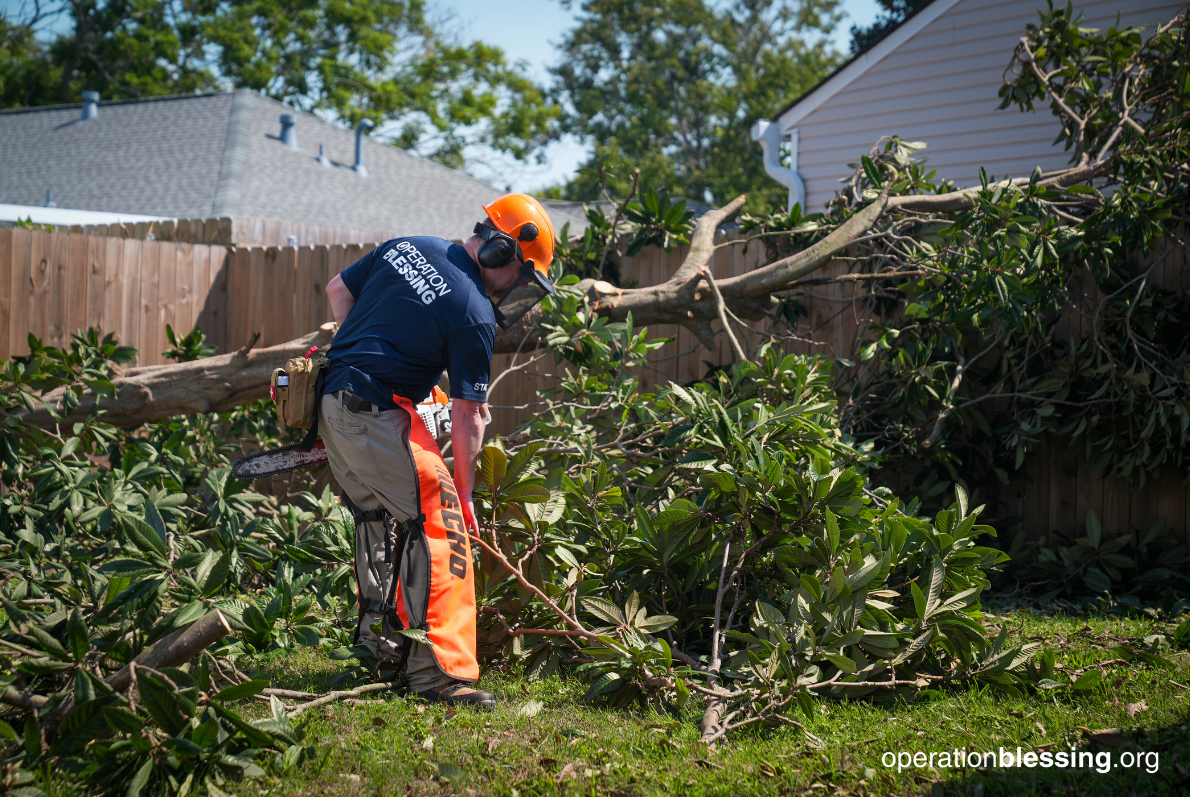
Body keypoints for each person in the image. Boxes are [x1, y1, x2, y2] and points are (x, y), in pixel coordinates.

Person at [318, 194, 557, 709]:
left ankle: (378, 650)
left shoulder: (411, 244)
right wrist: (465, 492)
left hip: (335, 400)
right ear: (500, 250)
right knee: (440, 524)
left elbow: (339, 290)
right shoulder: (474, 313)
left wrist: (366, 357)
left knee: (379, 521)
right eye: (521, 274)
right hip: (374, 413)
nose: (517, 287)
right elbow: (470, 414)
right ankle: (438, 675)